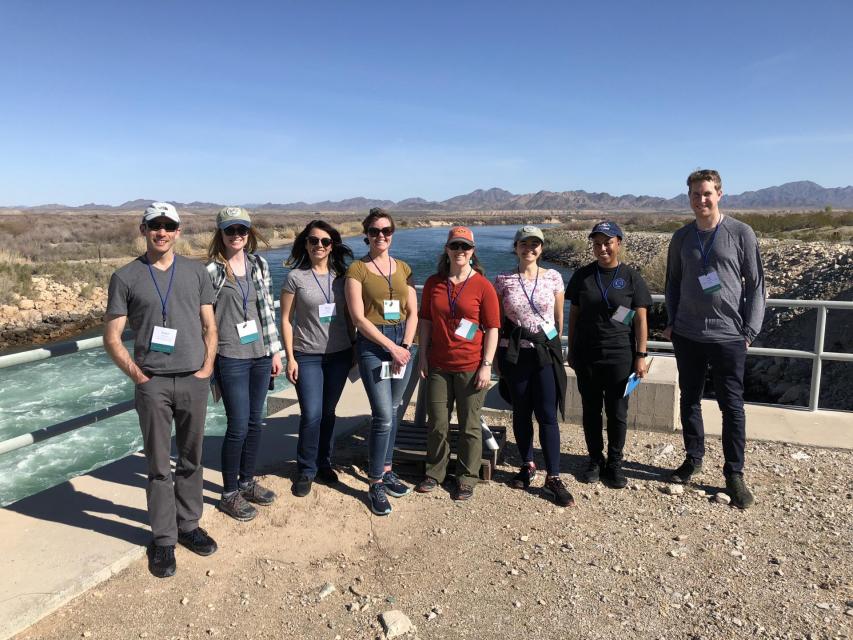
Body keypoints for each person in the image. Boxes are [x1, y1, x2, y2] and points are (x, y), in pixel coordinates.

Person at [104, 202, 218, 578]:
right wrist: (139, 376)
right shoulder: (125, 277)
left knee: (191, 458)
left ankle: (189, 526)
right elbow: (112, 337)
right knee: (157, 465)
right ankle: (164, 538)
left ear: (178, 231)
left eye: (169, 225)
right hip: (152, 382)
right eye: (155, 225)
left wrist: (207, 368)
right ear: (144, 229)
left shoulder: (196, 271)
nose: (162, 231)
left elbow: (209, 325)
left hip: (193, 380)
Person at [663, 169, 766, 509]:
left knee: (731, 406)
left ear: (719, 194)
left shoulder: (740, 233)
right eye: (695, 194)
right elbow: (673, 284)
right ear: (689, 197)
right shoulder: (681, 238)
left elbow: (756, 286)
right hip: (689, 335)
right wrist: (674, 323)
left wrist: (749, 331)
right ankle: (693, 458)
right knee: (689, 399)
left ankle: (734, 473)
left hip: (729, 336)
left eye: (707, 193)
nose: (701, 199)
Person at [205, 207, 283, 522]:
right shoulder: (210, 271)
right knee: (237, 426)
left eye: (242, 230)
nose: (237, 235)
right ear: (220, 234)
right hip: (231, 356)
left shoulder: (259, 264)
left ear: (249, 233)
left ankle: (247, 482)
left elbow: (267, 310)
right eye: (230, 230)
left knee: (256, 422)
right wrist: (208, 362)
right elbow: (204, 319)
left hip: (260, 355)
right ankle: (228, 494)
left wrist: (276, 351)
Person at [415, 227, 500, 500]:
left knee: (469, 425)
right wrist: (423, 355)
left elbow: (493, 328)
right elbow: (426, 320)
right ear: (447, 249)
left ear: (473, 251)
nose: (460, 251)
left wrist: (486, 364)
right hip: (439, 364)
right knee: (438, 422)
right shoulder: (433, 283)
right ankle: (435, 472)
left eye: (465, 247)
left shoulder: (483, 286)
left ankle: (466, 476)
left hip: (471, 365)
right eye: (455, 246)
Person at [565, 221, 652, 489]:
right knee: (590, 411)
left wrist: (640, 354)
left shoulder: (630, 277)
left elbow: (640, 319)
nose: (602, 248)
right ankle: (595, 460)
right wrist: (572, 347)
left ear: (618, 243)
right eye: (597, 243)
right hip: (587, 355)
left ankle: (615, 463)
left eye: (608, 242)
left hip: (620, 356)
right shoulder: (583, 276)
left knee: (617, 413)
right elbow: (575, 315)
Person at [345, 208, 418, 516]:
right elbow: (359, 320)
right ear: (367, 235)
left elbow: (412, 311)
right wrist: (391, 347)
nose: (381, 236)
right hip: (374, 345)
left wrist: (404, 345)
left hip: (403, 342)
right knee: (383, 415)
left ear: (392, 234)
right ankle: (375, 482)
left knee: (397, 410)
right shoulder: (357, 270)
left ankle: (387, 469)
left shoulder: (403, 268)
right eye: (375, 231)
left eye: (386, 231)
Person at [494, 226, 574, 507]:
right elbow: (497, 322)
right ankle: (527, 464)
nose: (529, 248)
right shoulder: (502, 280)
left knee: (547, 415)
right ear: (515, 247)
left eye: (535, 244)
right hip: (515, 354)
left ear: (541, 248)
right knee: (521, 412)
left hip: (544, 354)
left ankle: (553, 476)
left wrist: (554, 347)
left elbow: (558, 319)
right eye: (524, 243)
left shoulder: (554, 277)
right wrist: (495, 358)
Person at [280, 219, 355, 498]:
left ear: (332, 245)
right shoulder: (295, 278)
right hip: (307, 355)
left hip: (339, 355)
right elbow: (286, 320)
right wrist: (290, 357)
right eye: (313, 241)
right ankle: (306, 468)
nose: (319, 246)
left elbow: (350, 317)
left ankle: (325, 462)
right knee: (311, 414)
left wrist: (355, 347)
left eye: (324, 241)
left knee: (328, 413)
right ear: (305, 244)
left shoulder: (343, 277)